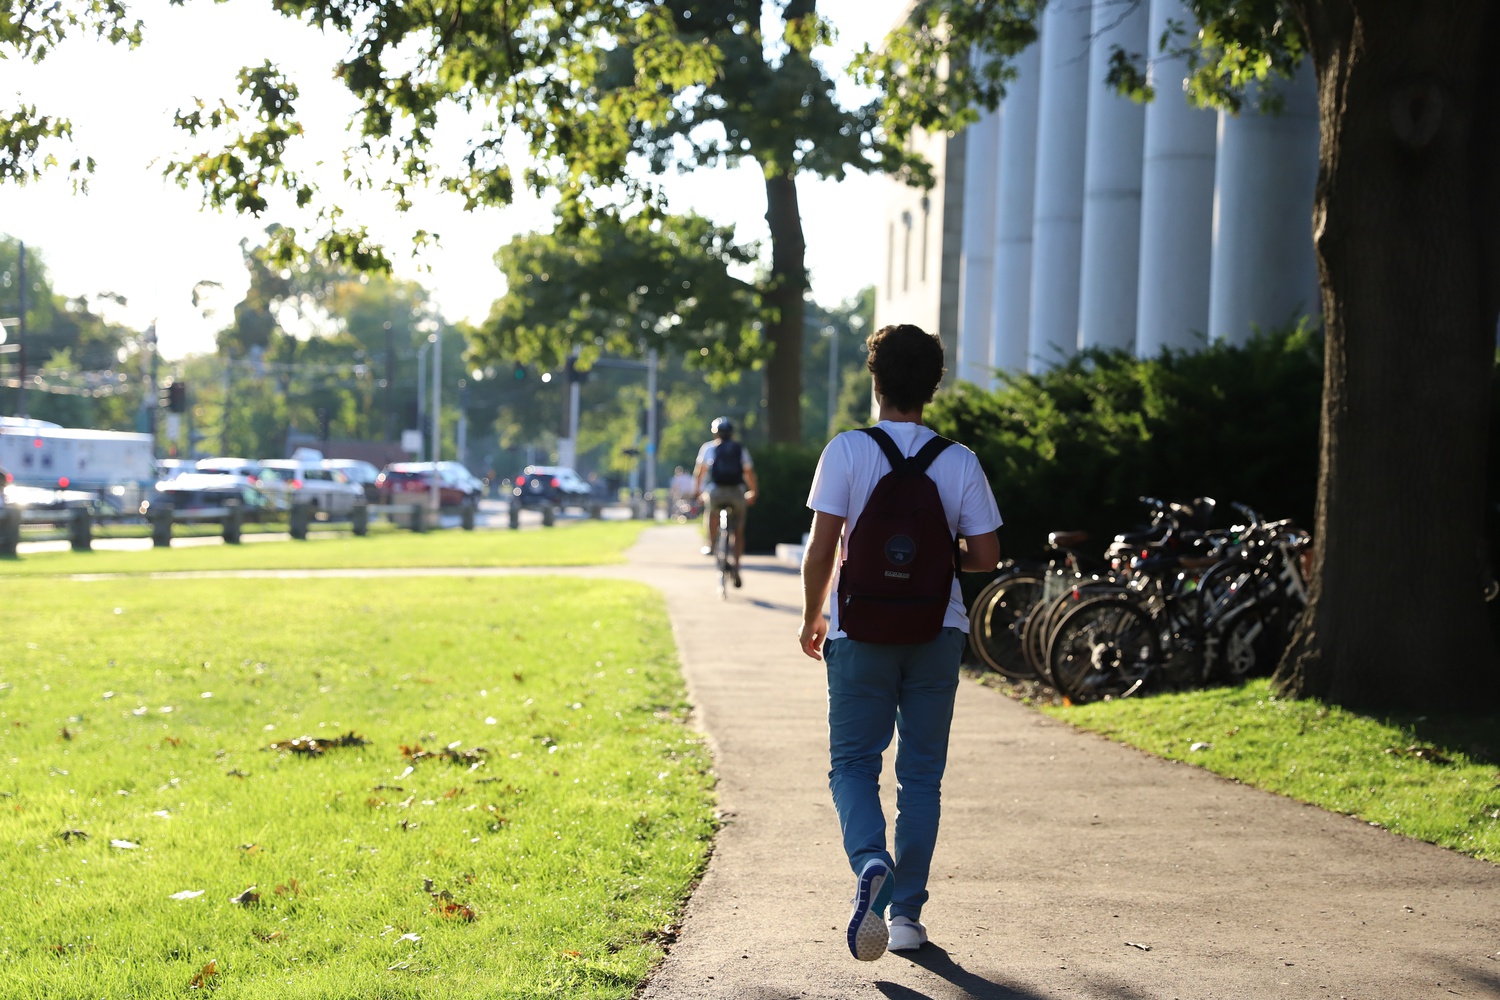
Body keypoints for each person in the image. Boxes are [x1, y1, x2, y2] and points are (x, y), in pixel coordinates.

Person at [797, 323, 1002, 962]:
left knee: (854, 764)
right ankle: (907, 915)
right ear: (933, 385)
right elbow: (986, 556)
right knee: (921, 776)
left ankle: (869, 859)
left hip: (860, 629)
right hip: (936, 630)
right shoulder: (959, 460)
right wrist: (940, 559)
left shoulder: (847, 451)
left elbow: (822, 547)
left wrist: (812, 616)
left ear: (875, 379)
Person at [692, 416, 758, 587]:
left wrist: (697, 492)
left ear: (715, 433)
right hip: (736, 492)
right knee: (738, 530)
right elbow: (749, 473)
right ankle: (736, 565)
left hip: (717, 491)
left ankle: (711, 544)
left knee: (711, 511)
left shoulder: (708, 448)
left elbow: (699, 473)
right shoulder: (739, 449)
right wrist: (753, 492)